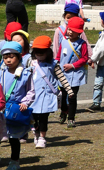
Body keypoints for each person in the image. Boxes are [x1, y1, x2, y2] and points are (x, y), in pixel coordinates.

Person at [1, 40, 34, 169]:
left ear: (19, 56)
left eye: (11, 56)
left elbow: (31, 91)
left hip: (15, 110)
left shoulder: (26, 74)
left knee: (13, 137)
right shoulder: (1, 73)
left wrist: (25, 102)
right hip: (1, 108)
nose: (8, 60)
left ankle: (14, 161)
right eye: (5, 57)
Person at [55, 15, 88, 127]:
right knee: (63, 96)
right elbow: (58, 56)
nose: (70, 32)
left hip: (76, 74)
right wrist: (55, 65)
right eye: (69, 29)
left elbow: (84, 58)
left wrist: (73, 66)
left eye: (73, 31)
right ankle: (64, 111)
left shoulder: (82, 44)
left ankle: (71, 118)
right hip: (63, 75)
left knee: (72, 96)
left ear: (79, 32)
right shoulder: (64, 42)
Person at [29, 36, 62, 149]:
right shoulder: (31, 63)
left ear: (48, 52)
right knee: (32, 117)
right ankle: (36, 133)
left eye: (42, 53)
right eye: (37, 53)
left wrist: (69, 90)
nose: (39, 55)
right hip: (32, 96)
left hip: (46, 95)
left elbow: (61, 77)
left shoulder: (53, 64)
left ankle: (42, 138)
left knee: (43, 117)